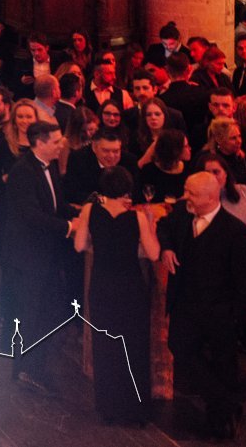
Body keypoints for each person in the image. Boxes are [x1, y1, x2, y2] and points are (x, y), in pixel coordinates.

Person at [157, 172, 246, 440]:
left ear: (211, 197)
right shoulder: (182, 214)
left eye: (191, 193)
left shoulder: (236, 232)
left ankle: (220, 424)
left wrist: (235, 318)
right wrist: (166, 248)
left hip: (220, 312)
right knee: (179, 347)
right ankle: (227, 403)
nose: (185, 197)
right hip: (186, 306)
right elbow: (164, 226)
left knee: (224, 366)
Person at [74, 166, 159, 425]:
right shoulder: (137, 218)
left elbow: (79, 245)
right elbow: (153, 253)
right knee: (134, 346)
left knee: (106, 345)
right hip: (131, 287)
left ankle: (108, 408)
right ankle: (135, 410)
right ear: (127, 190)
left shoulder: (90, 211)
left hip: (102, 285)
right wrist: (151, 225)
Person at [1, 120, 79, 396]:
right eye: (56, 141)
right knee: (32, 314)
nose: (61, 146)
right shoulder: (22, 172)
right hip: (28, 256)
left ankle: (34, 367)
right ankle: (27, 370)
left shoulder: (50, 166)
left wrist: (79, 212)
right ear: (40, 143)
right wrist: (69, 227)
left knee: (50, 311)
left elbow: (55, 204)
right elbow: (31, 215)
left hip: (46, 254)